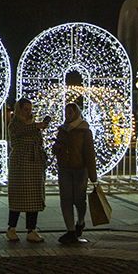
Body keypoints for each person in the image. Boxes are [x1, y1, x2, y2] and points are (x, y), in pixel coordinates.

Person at [6, 98, 49, 243]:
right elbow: (18, 133)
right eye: (25, 109)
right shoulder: (15, 124)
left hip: (35, 165)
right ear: (19, 110)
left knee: (34, 199)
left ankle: (31, 229)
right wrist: (36, 127)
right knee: (18, 197)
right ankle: (11, 228)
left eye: (30, 109)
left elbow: (39, 142)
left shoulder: (33, 125)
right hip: (20, 166)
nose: (28, 112)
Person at [53, 103, 97, 244]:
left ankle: (80, 221)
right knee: (65, 200)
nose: (68, 115)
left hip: (80, 170)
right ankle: (70, 231)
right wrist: (56, 149)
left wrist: (93, 176)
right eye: (66, 112)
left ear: (76, 113)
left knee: (79, 200)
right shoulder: (62, 130)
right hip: (65, 169)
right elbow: (55, 150)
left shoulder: (84, 131)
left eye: (70, 112)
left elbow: (89, 154)